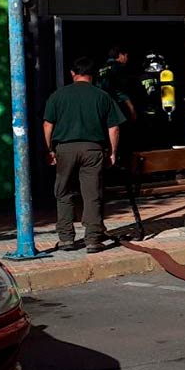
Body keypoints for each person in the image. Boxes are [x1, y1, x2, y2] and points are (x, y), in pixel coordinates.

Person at [43, 56, 126, 253]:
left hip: (65, 149)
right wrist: (113, 152)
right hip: (92, 149)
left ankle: (66, 239)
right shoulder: (102, 96)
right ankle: (93, 239)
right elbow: (113, 128)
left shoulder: (58, 96)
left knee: (63, 192)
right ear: (92, 75)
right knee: (92, 194)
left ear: (73, 73)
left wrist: (49, 150)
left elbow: (47, 124)